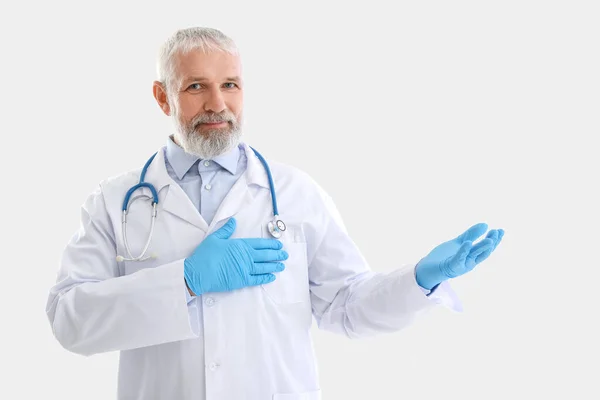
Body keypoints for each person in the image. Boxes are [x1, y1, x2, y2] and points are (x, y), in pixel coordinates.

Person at [46, 27, 504, 400]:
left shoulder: (295, 192)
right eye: (195, 87)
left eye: (230, 84)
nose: (217, 104)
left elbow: (346, 308)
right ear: (162, 97)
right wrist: (184, 281)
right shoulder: (114, 201)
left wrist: (420, 278)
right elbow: (69, 320)